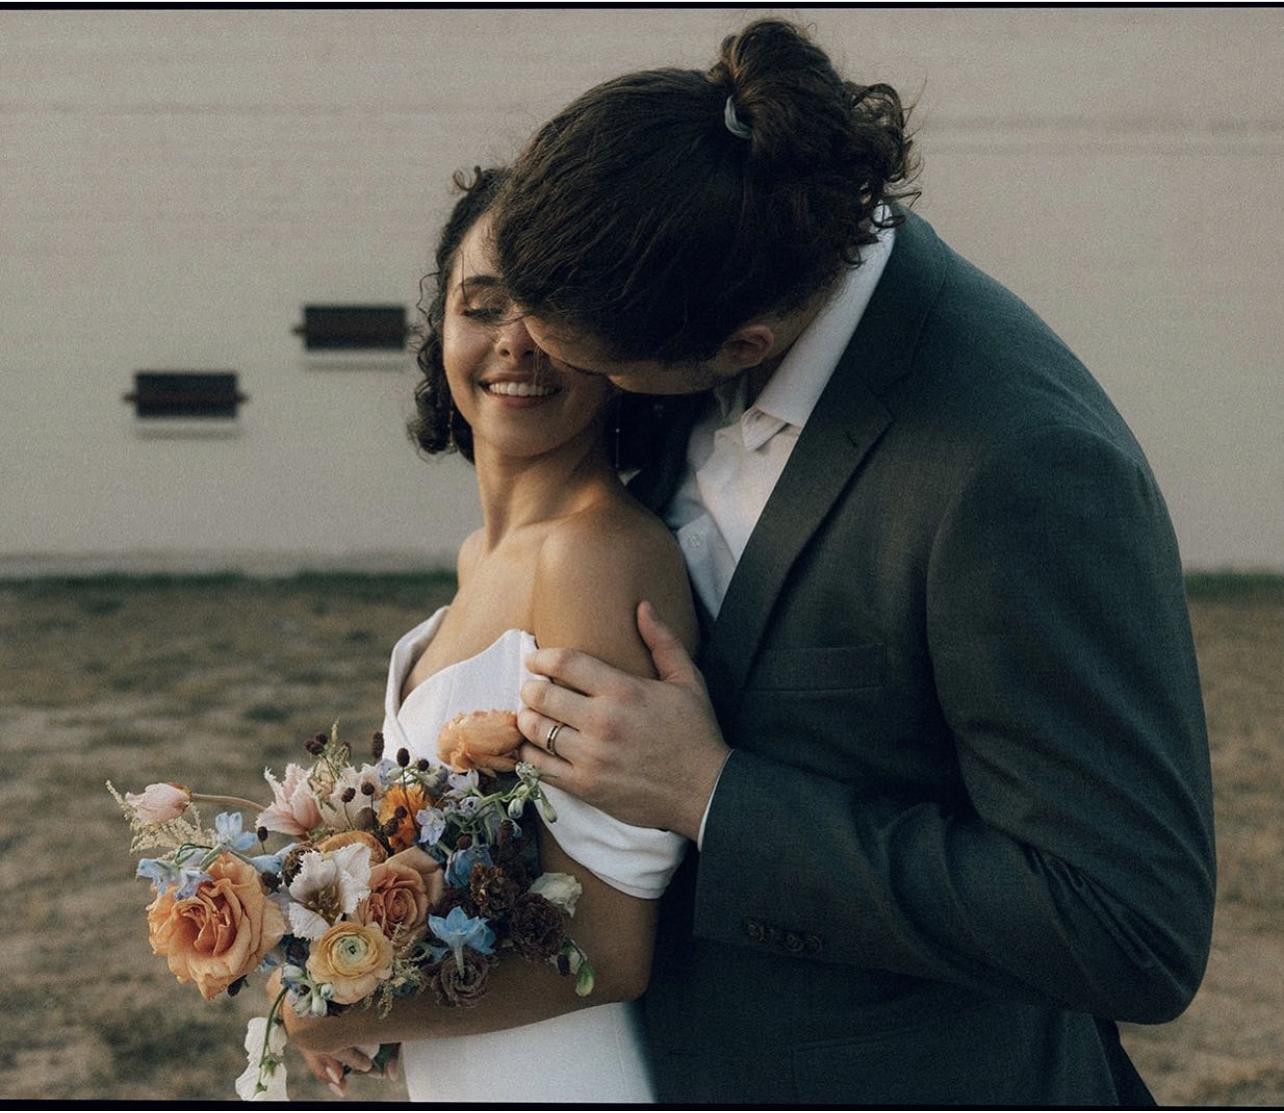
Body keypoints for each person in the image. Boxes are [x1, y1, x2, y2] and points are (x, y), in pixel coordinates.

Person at [495, 19, 1218, 1105]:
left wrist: (713, 794)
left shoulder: (1018, 467)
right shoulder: (719, 257)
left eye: (604, 370)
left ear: (740, 345)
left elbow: (1126, 926)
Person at [279, 166, 699, 1102]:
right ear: (441, 331)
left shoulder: (594, 556)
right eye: (483, 305)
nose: (516, 340)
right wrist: (345, 952)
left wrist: (337, 1007)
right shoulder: (482, 556)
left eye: (556, 310)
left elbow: (608, 944)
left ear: (617, 347)